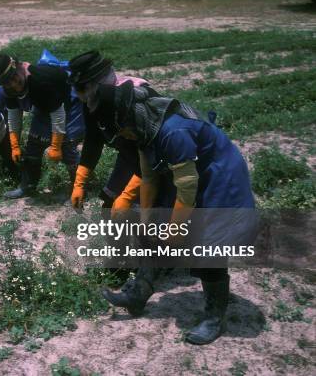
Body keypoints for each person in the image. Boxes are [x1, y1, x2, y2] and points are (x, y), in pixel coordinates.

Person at [68, 50, 256, 345]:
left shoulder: (171, 132)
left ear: (128, 121)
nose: (122, 141)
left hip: (219, 176)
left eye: (121, 134)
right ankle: (137, 293)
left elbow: (187, 188)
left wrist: (176, 229)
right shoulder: (141, 130)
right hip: (190, 175)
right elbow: (150, 178)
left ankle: (213, 316)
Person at [65, 51, 154, 216]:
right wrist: (79, 183)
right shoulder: (92, 101)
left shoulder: (134, 99)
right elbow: (93, 139)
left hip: (156, 164)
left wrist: (128, 196)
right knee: (108, 205)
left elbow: (152, 156)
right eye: (78, 89)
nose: (80, 95)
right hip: (130, 157)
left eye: (82, 88)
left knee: (136, 211)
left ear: (96, 83)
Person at [0, 53, 84, 199]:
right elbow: (14, 115)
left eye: (14, 77)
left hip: (69, 102)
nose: (13, 85)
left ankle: (78, 187)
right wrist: (14, 145)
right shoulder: (8, 89)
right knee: (34, 144)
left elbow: (58, 114)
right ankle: (27, 186)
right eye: (8, 82)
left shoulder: (39, 81)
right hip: (46, 105)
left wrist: (55, 146)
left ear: (20, 66)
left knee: (67, 145)